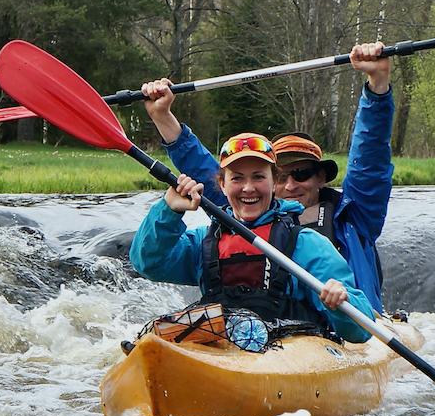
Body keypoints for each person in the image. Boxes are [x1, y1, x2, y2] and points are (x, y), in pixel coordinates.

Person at [140, 41, 395, 314]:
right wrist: (163, 117)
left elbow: (370, 162)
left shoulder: (353, 219)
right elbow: (211, 174)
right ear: (273, 181)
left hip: (352, 332)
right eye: (283, 175)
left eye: (302, 173)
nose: (291, 184)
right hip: (267, 337)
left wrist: (377, 88)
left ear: (321, 177)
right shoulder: (242, 212)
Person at [129, 132, 375, 343]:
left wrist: (340, 301)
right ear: (222, 186)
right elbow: (148, 263)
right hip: (225, 352)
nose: (248, 188)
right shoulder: (203, 242)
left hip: (291, 355)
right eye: (237, 178)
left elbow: (361, 330)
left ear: (274, 182)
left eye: (258, 177)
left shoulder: (307, 244)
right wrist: (169, 210)